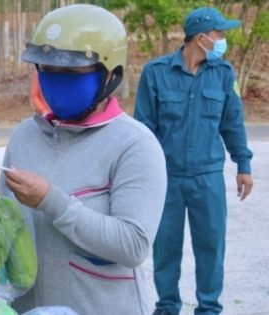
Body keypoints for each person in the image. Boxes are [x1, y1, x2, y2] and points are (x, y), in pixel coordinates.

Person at [0, 4, 167, 314]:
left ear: (111, 74)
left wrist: (52, 201)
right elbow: (2, 220)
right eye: (46, 70)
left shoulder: (134, 144)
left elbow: (133, 245)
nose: (55, 80)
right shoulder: (25, 135)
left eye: (71, 72)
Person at [133, 7, 254, 315]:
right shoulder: (155, 73)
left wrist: (244, 166)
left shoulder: (224, 75)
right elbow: (143, 130)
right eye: (220, 35)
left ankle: (209, 309)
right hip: (167, 179)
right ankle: (167, 307)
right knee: (165, 249)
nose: (224, 40)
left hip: (208, 177)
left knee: (211, 249)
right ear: (201, 39)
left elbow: (232, 124)